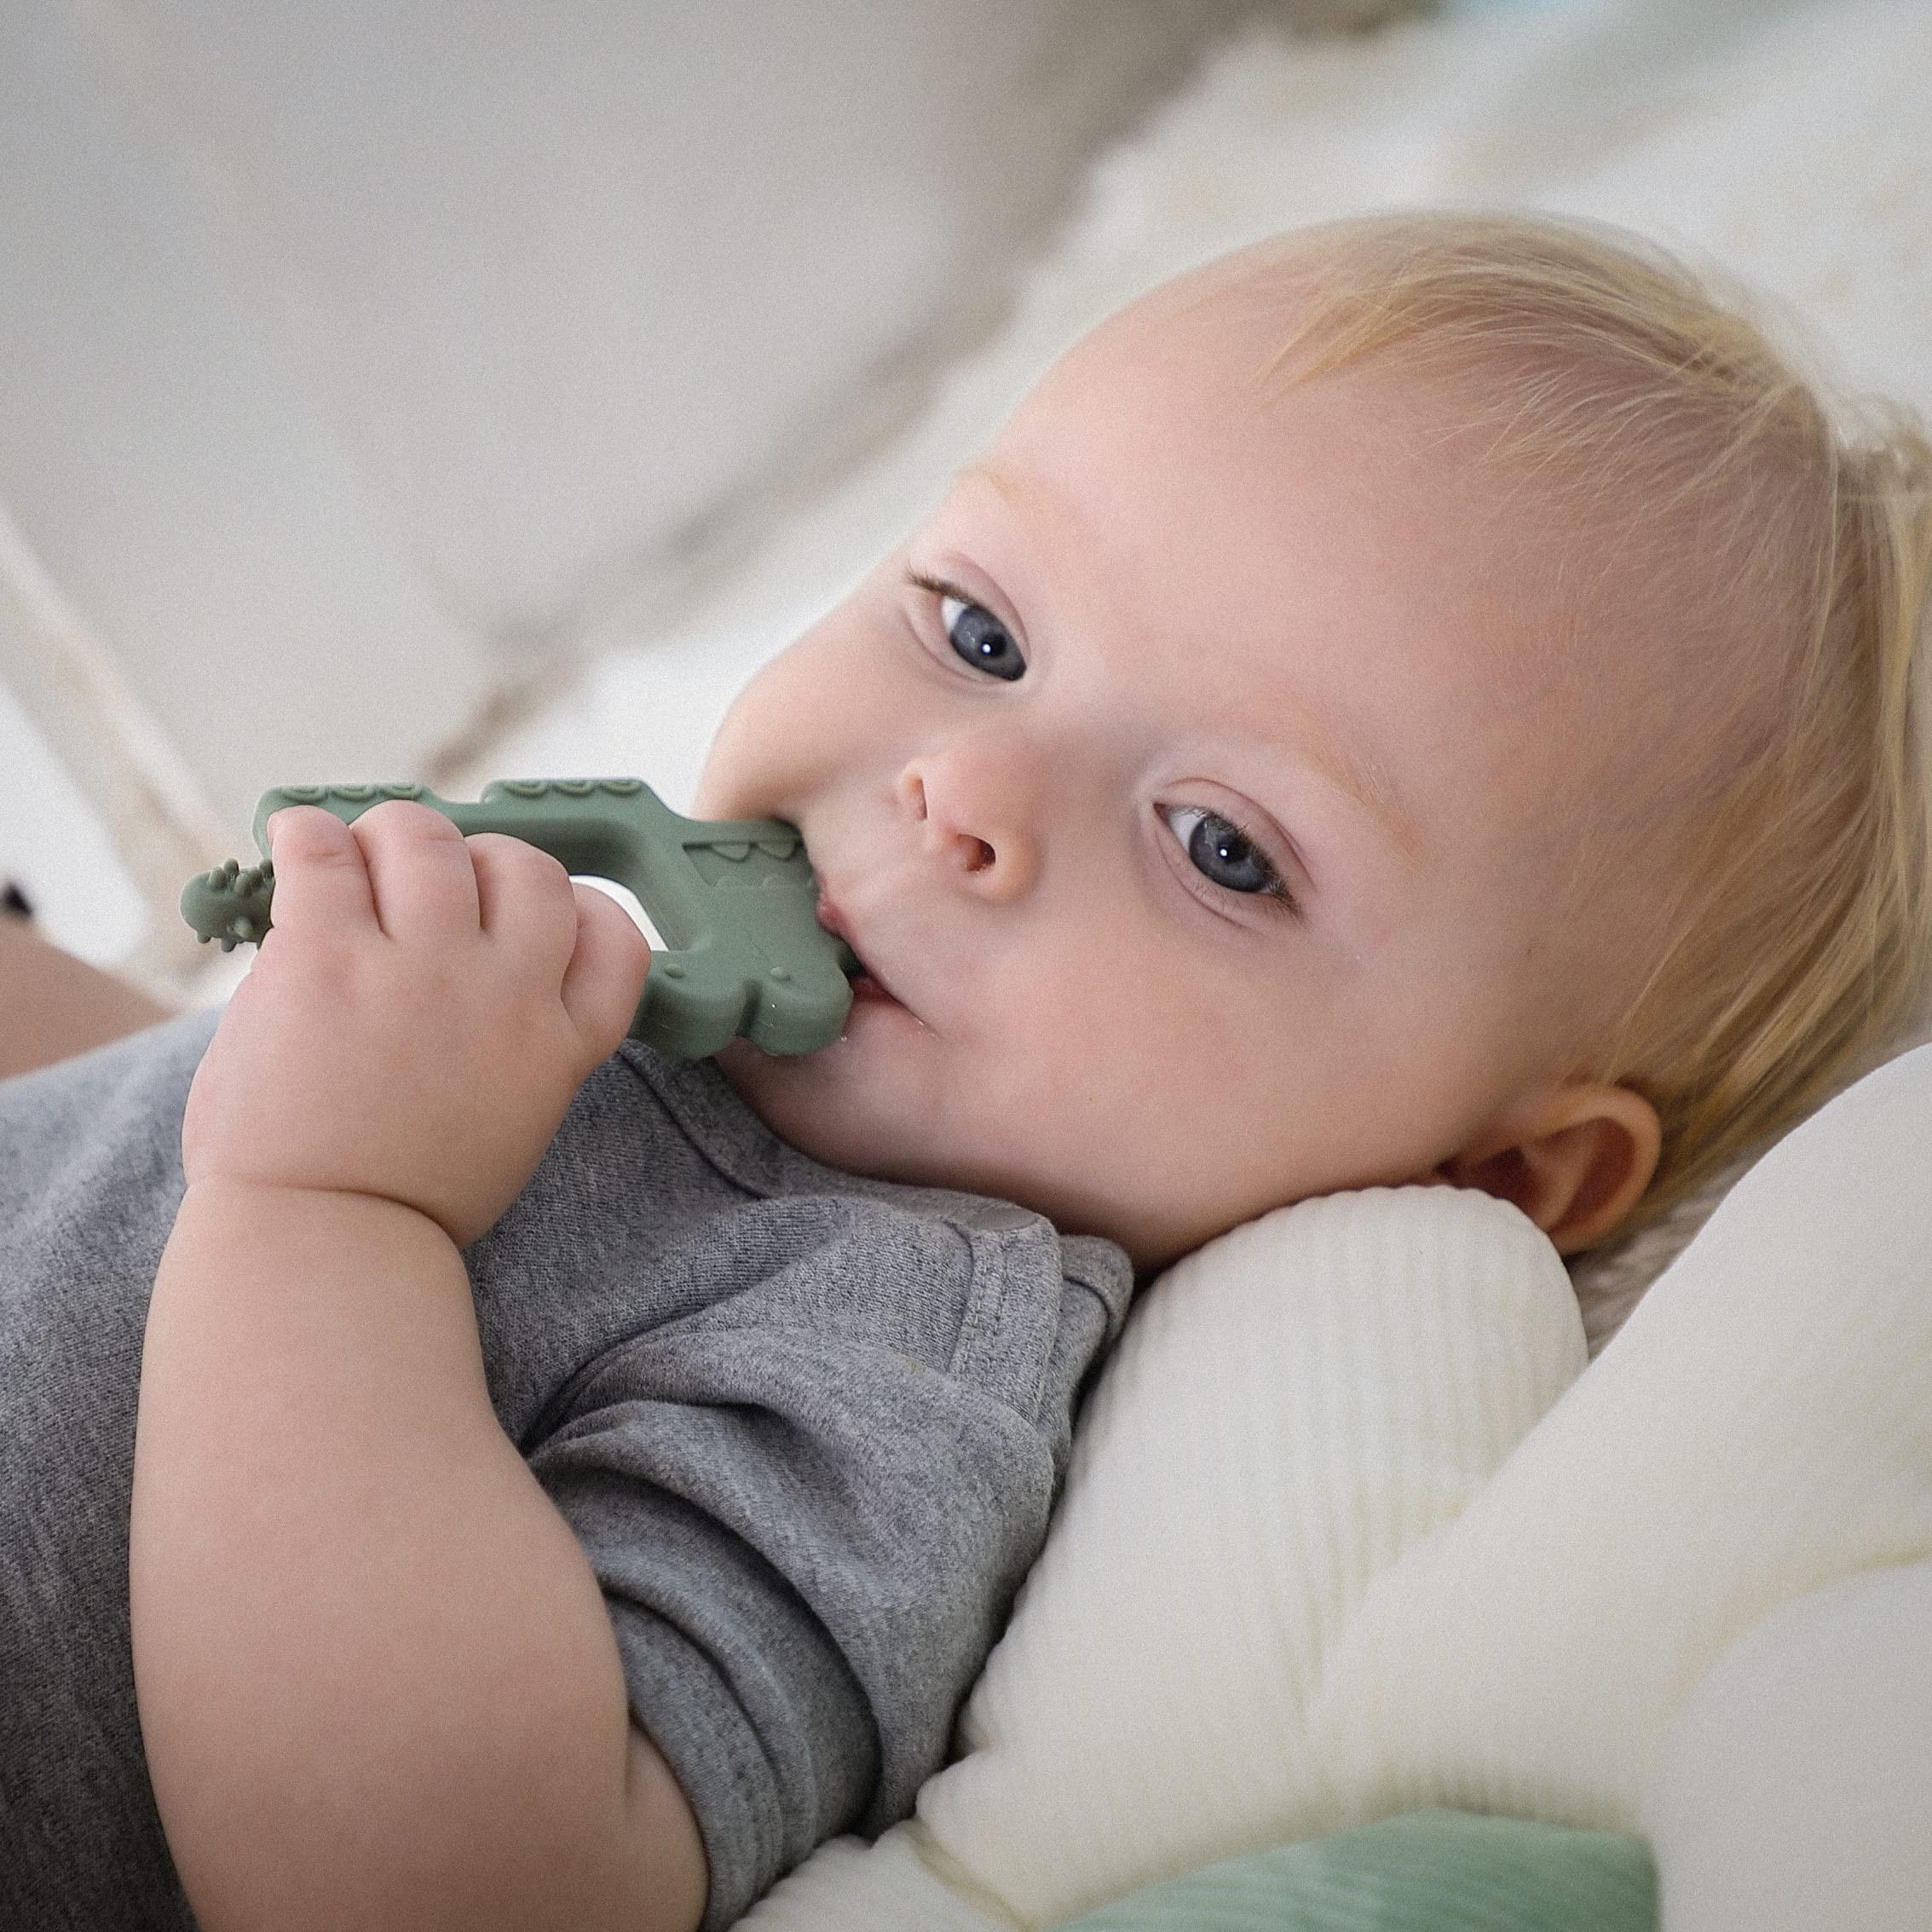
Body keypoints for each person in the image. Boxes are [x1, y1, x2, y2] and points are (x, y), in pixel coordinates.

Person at [2, 208, 1927, 1932]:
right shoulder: (607, 981)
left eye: (1223, 847)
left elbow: (440, 1884)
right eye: (981, 629)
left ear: (1498, 1180)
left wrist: (331, 1214)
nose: (966, 790)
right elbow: (123, 1164)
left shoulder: (908, 1353)